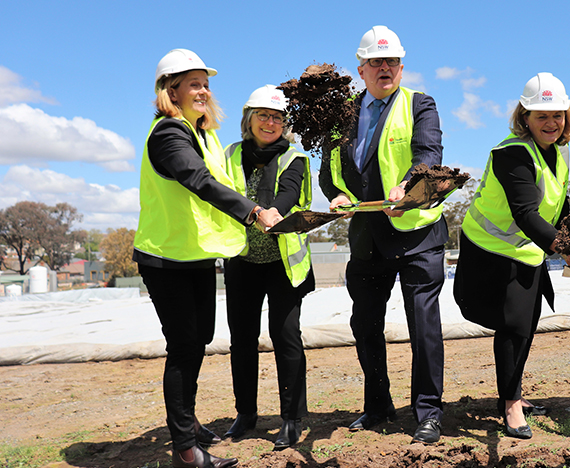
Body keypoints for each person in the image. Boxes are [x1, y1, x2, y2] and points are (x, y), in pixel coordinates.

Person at [133, 49, 281, 468]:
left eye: (205, 83)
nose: (203, 90)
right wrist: (254, 213)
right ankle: (185, 449)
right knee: (183, 347)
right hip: (165, 257)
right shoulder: (168, 134)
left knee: (196, 343)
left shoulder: (202, 134)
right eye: (193, 83)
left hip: (194, 255)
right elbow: (197, 180)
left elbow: (221, 181)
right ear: (170, 90)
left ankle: (188, 422)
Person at [318, 25, 447, 444]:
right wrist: (337, 194)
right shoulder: (341, 117)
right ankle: (377, 405)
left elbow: (428, 154)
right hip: (367, 238)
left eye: (391, 61)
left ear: (402, 67)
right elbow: (329, 172)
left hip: (417, 237)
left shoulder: (420, 104)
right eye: (376, 61)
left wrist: (408, 185)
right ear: (361, 69)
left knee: (423, 326)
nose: (384, 68)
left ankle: (427, 412)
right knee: (365, 325)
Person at [454, 73, 570, 439]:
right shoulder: (512, 154)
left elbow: (557, 200)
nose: (551, 122)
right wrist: (564, 247)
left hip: (526, 251)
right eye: (542, 115)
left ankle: (515, 395)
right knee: (512, 327)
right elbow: (526, 213)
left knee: (525, 327)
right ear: (525, 117)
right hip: (491, 252)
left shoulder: (559, 152)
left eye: (557, 115)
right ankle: (510, 407)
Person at [221, 85, 315, 449]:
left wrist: (273, 209)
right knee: (242, 340)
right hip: (242, 260)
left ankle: (291, 418)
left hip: (282, 264)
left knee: (286, 337)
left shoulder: (295, 157)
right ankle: (245, 414)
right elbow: (222, 190)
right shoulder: (229, 155)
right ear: (249, 119)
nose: (270, 122)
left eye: (277, 117)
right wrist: (252, 212)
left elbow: (291, 190)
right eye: (263, 115)